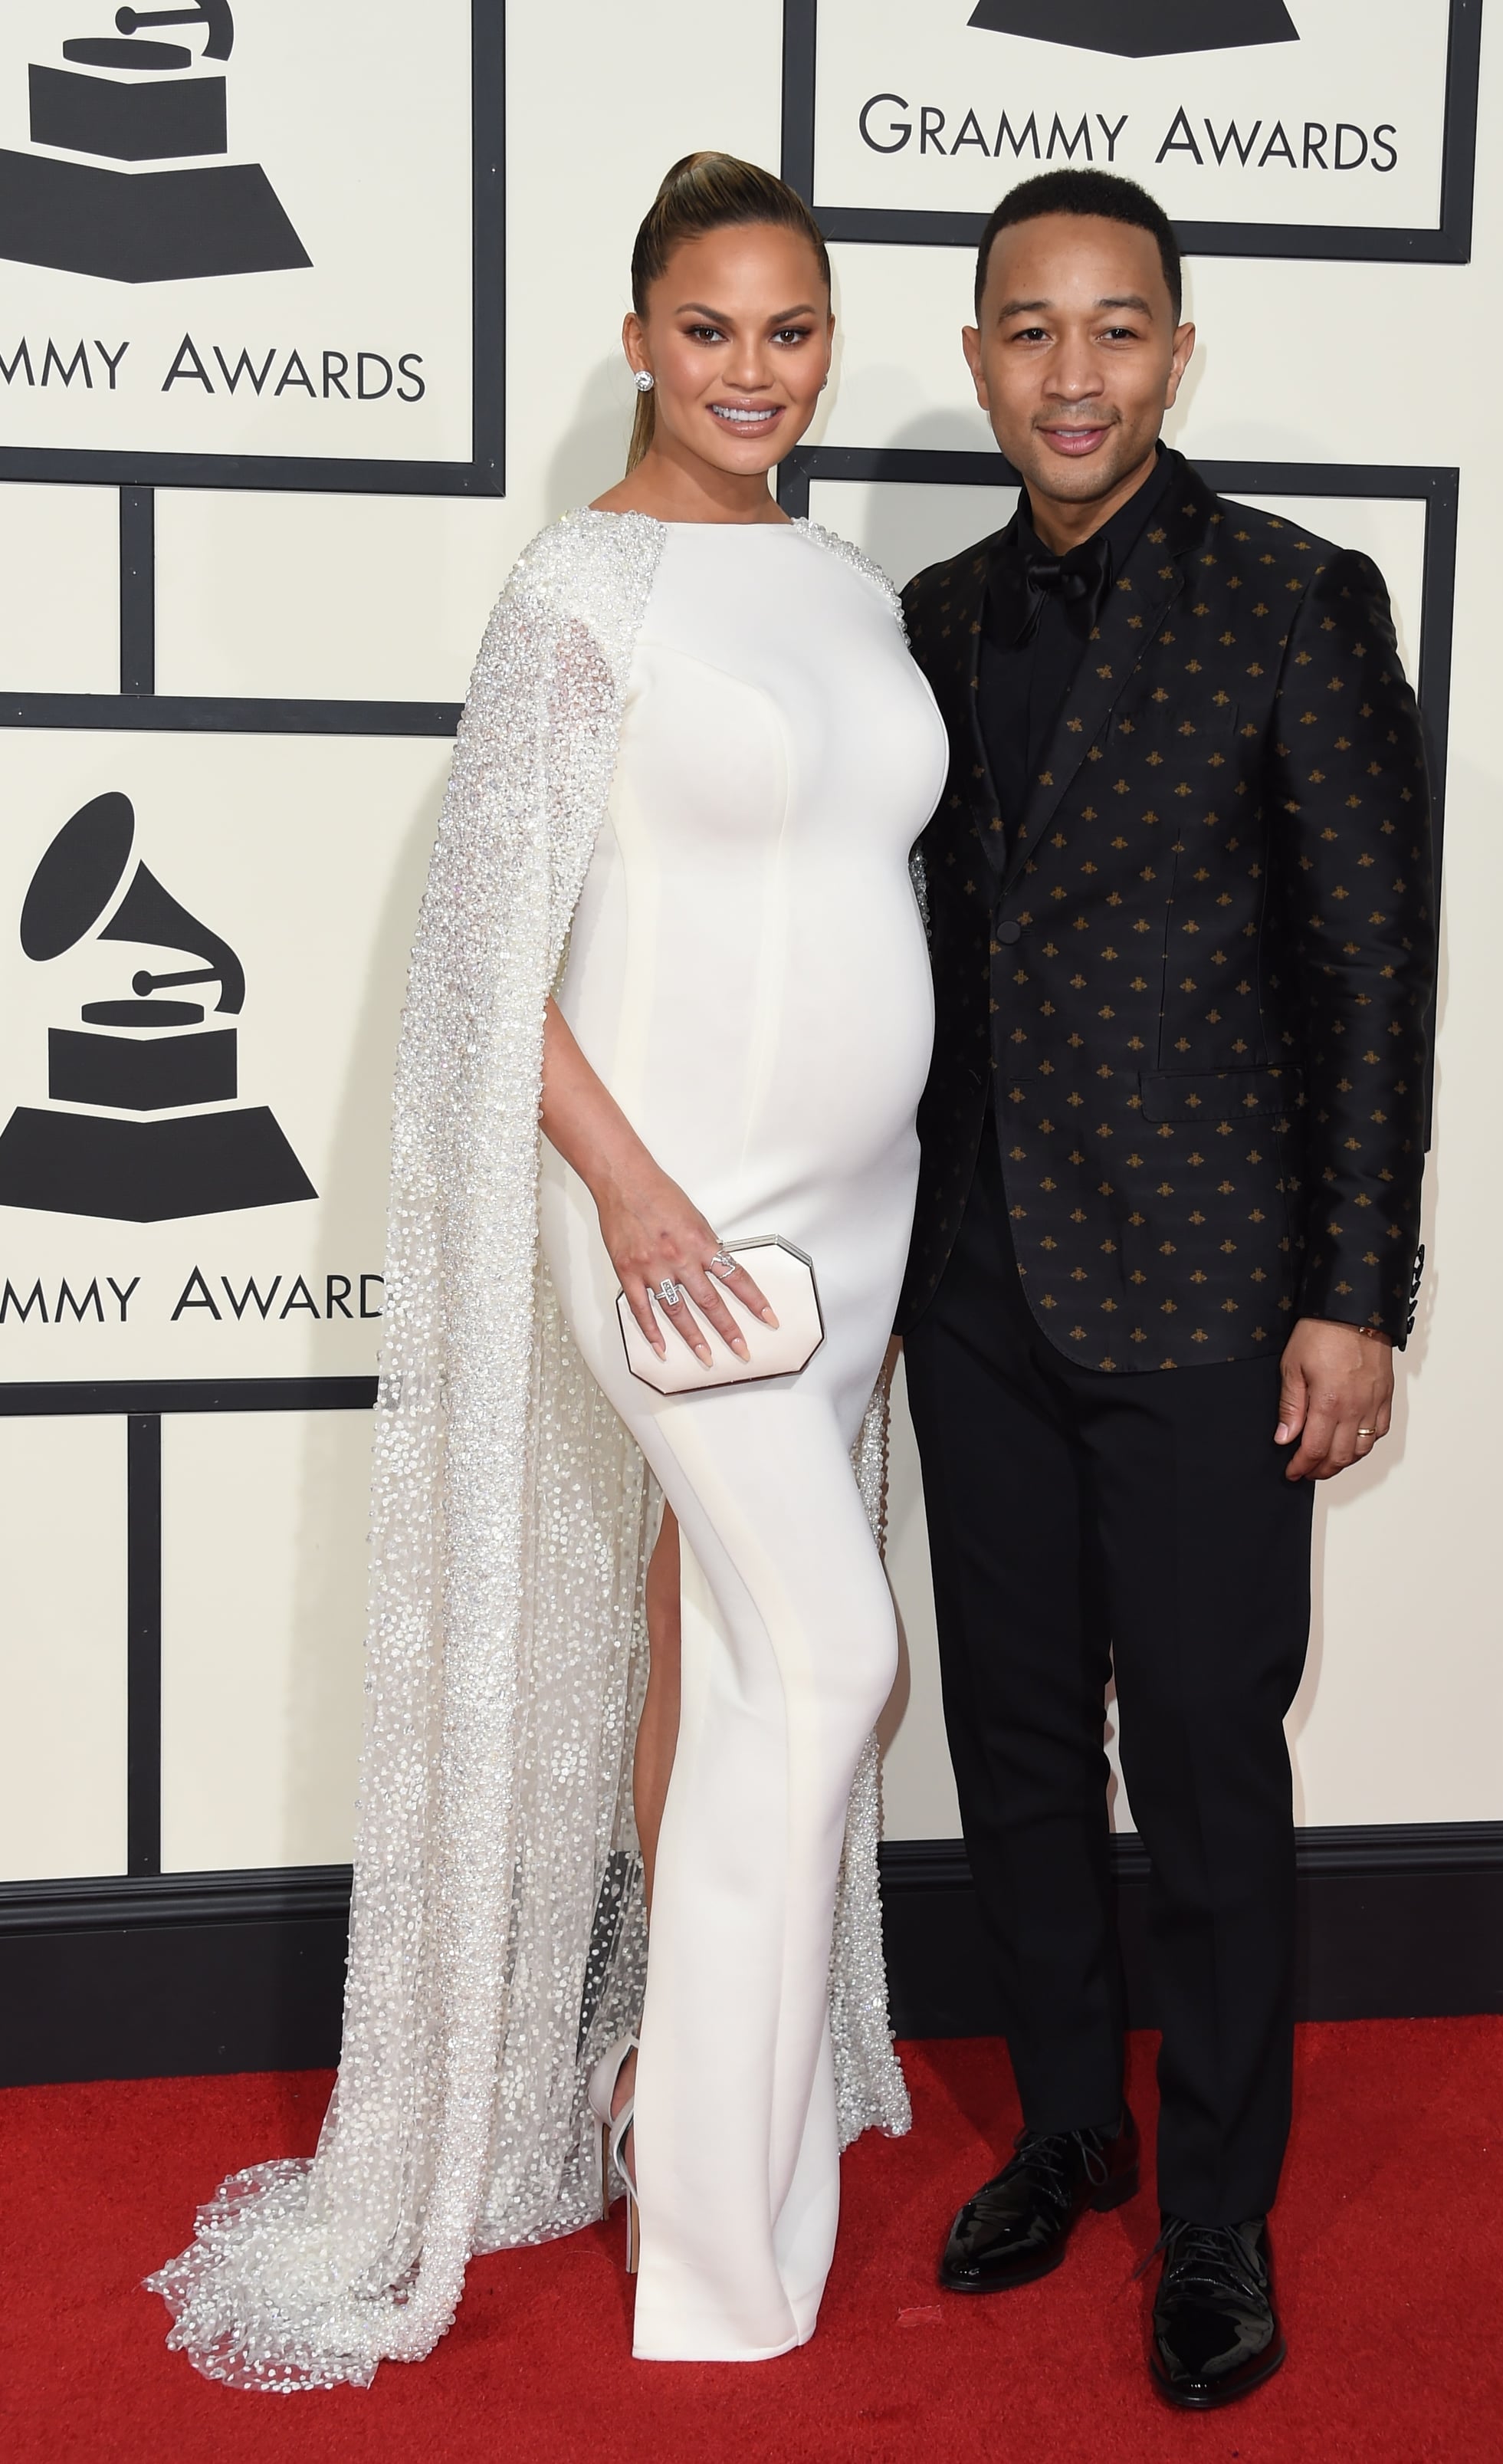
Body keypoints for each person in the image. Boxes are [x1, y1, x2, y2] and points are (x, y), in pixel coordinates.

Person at [149, 153, 947, 2384]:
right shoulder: (582, 590)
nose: (755, 373)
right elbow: (479, 976)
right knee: (837, 1660)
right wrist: (640, 1195)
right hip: (675, 1234)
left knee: (743, 1673)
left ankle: (666, 2083)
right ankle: (711, 2229)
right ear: (637, 339)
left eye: (793, 332)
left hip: (857, 1225)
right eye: (712, 330)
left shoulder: (846, 588)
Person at [898, 167, 1435, 2410]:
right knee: (1018, 1749)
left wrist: (1357, 1288)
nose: (1075, 375)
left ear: (1181, 353)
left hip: (1220, 1293)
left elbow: (1371, 971)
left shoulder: (1299, 600)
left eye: (1118, 331)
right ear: (981, 359)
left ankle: (1217, 2217)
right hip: (976, 1282)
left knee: (1207, 1763)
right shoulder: (919, 619)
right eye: (1032, 331)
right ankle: (1071, 2128)